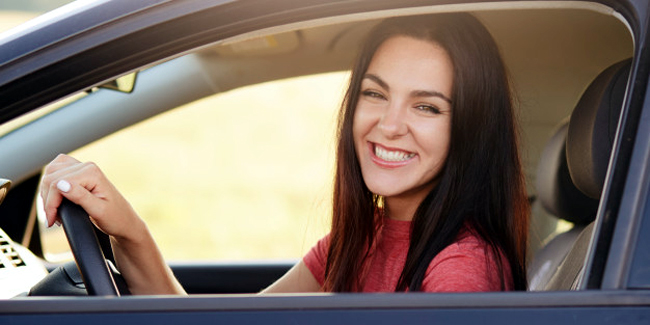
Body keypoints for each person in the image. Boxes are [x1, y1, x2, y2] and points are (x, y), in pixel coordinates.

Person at [39, 13, 529, 295]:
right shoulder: (366, 236)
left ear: (469, 128)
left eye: (426, 106)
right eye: (375, 94)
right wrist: (130, 232)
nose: (390, 125)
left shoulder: (460, 271)